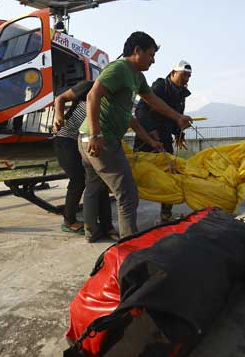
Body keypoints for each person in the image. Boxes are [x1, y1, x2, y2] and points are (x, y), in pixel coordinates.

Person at [78, 31, 192, 242]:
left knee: (94, 187)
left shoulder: (137, 77)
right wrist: (96, 134)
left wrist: (176, 119)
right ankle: (130, 244)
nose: (153, 60)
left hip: (93, 138)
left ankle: (92, 233)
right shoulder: (119, 68)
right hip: (101, 140)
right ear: (137, 51)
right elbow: (92, 95)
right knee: (128, 195)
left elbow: (150, 102)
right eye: (150, 54)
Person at [52, 80, 114, 235]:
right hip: (65, 138)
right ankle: (69, 221)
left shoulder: (114, 96)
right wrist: (58, 117)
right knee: (78, 179)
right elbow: (60, 98)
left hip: (85, 140)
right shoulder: (89, 86)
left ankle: (106, 224)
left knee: (99, 180)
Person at [133, 60, 192, 222]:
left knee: (170, 174)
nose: (186, 79)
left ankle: (166, 214)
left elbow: (175, 118)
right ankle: (128, 213)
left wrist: (179, 134)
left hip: (165, 140)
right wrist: (151, 131)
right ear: (173, 73)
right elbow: (141, 109)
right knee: (137, 175)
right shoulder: (159, 87)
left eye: (189, 76)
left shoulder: (181, 94)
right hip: (147, 138)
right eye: (183, 75)